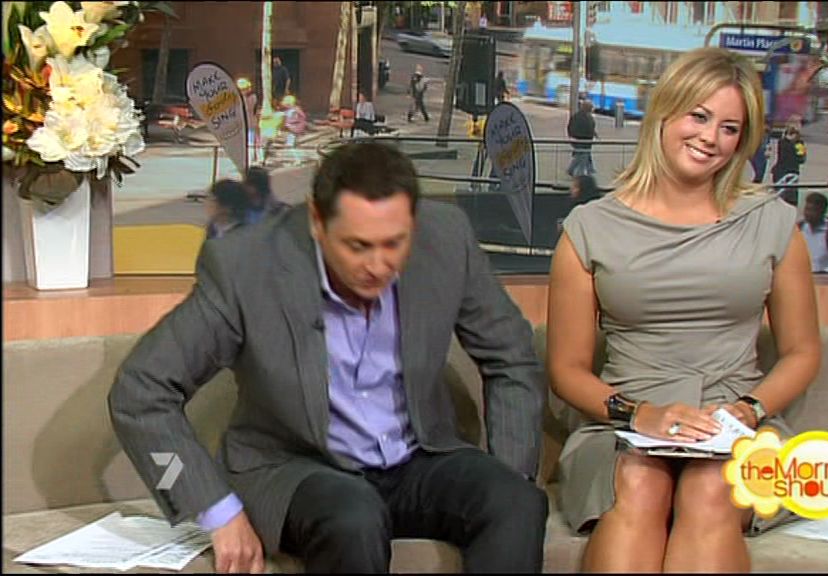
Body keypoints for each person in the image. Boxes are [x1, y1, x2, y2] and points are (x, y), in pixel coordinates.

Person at [109, 141, 548, 573]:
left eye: (394, 243)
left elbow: (511, 354)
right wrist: (213, 509)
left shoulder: (447, 238)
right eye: (358, 246)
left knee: (515, 499)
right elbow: (139, 392)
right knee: (353, 516)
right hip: (295, 469)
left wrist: (510, 470)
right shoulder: (245, 266)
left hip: (420, 457)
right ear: (318, 222)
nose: (378, 265)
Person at [546, 47, 821, 573]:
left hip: (737, 424)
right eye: (699, 116)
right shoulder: (589, 229)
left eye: (729, 128)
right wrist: (639, 415)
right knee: (640, 481)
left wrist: (747, 410)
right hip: (621, 424)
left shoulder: (773, 222)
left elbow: (803, 352)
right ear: (665, 112)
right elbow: (567, 371)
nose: (710, 138)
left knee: (712, 485)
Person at [770, 115, 806, 206]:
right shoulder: (798, 143)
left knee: (779, 199)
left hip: (782, 172)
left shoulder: (782, 141)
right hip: (790, 173)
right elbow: (801, 159)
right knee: (788, 200)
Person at [566, 99, 597, 177]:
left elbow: (570, 127)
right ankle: (580, 175)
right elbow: (590, 128)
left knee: (580, 155)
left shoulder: (576, 116)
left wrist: (571, 136)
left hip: (576, 139)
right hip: (584, 141)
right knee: (583, 156)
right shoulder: (588, 118)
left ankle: (572, 170)